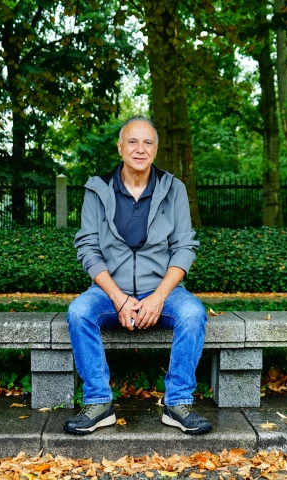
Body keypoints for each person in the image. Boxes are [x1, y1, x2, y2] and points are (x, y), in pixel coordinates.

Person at [64, 115, 212, 436]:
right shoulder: (97, 189)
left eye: (147, 143)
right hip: (108, 291)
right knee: (78, 313)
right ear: (120, 147)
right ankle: (99, 402)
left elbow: (185, 247)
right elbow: (88, 249)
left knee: (192, 314)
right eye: (132, 141)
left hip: (163, 290)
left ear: (155, 151)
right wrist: (118, 298)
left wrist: (158, 297)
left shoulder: (174, 189)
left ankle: (178, 403)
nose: (140, 149)